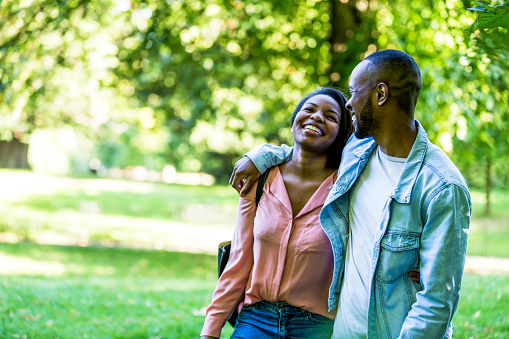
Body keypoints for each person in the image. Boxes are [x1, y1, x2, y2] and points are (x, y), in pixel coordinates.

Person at [229, 49, 471, 338]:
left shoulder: (442, 187)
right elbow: (304, 153)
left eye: (355, 92)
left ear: (380, 94)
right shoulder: (357, 152)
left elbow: (437, 303)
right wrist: (258, 156)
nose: (348, 104)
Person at [200, 87, 352, 339]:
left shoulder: (346, 190)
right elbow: (238, 261)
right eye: (309, 109)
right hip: (255, 320)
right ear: (293, 123)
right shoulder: (260, 180)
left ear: (341, 134)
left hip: (317, 327)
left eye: (330, 116)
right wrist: (211, 330)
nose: (317, 117)